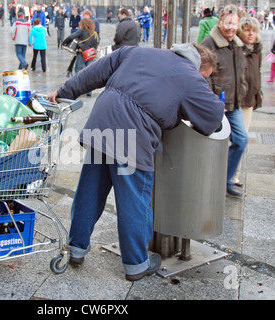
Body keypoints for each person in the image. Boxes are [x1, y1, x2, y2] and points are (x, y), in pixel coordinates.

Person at [47, 43, 224, 281]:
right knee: (134, 200)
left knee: (90, 191)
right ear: (199, 65)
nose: (203, 82)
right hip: (133, 136)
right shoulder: (191, 77)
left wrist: (64, 91)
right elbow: (212, 119)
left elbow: (96, 71)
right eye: (205, 77)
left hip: (102, 123)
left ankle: (76, 249)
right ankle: (137, 264)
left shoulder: (139, 51)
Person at [201, 5, 249, 198]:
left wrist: (243, 89)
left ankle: (225, 180)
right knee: (211, 145)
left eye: (234, 23)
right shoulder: (209, 43)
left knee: (241, 139)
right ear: (220, 22)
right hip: (217, 105)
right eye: (227, 22)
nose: (230, 27)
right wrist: (212, 102)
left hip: (234, 102)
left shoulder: (237, 43)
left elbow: (242, 71)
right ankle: (209, 180)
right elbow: (204, 76)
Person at [230, 17, 263, 187]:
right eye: (247, 30)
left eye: (254, 30)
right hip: (235, 100)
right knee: (237, 139)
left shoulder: (256, 49)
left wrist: (258, 92)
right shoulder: (236, 48)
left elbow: (256, 72)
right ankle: (228, 174)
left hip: (249, 100)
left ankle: (234, 174)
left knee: (242, 139)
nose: (251, 34)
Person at [62, 17, 98, 82]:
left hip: (82, 54)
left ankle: (79, 87)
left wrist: (64, 43)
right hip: (91, 55)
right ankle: (89, 91)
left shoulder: (81, 31)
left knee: (78, 70)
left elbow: (71, 37)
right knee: (89, 72)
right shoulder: (94, 33)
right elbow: (96, 45)